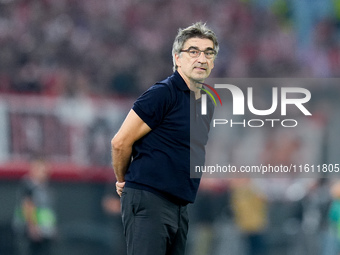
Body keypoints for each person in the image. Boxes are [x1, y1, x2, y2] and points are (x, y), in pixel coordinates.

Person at [111, 22, 219, 255]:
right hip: (150, 199)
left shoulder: (206, 103)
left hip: (179, 206)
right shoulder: (163, 93)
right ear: (177, 58)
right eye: (193, 51)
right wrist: (122, 180)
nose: (202, 58)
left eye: (208, 53)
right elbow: (120, 142)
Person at [12, 157, 57, 255]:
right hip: (31, 234)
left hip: (44, 232)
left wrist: (51, 228)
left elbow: (47, 210)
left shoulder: (45, 187)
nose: (46, 172)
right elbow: (28, 206)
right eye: (43, 169)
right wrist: (32, 227)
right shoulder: (28, 185)